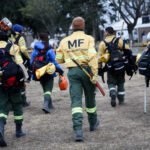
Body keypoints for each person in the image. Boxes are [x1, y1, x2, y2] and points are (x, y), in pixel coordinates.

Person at [56, 17, 99, 142]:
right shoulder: (89, 39)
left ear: (72, 27)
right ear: (83, 26)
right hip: (87, 71)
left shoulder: (64, 41)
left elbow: (59, 59)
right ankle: (93, 123)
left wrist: (69, 57)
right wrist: (94, 74)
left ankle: (78, 130)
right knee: (90, 99)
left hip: (73, 72)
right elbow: (92, 57)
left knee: (76, 102)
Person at [0, 31, 26, 147]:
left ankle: (0, 127)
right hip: (13, 82)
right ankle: (19, 131)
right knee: (17, 104)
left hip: (1, 83)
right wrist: (25, 79)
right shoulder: (12, 47)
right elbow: (20, 64)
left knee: (3, 106)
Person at [30, 32, 64, 114]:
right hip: (49, 72)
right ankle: (45, 105)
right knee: (48, 89)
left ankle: (50, 104)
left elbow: (31, 61)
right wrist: (60, 70)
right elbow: (54, 61)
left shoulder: (35, 49)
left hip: (39, 72)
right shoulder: (49, 49)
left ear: (39, 38)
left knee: (45, 89)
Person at [98, 27, 130, 107]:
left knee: (111, 82)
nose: (105, 33)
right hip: (120, 66)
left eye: (105, 32)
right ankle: (121, 100)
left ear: (107, 32)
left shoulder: (102, 43)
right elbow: (127, 49)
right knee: (121, 82)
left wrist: (100, 68)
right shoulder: (119, 40)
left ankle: (112, 93)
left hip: (110, 67)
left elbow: (100, 58)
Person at [12, 24, 31, 107]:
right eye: (22, 30)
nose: (23, 31)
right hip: (19, 62)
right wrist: (28, 57)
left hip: (9, 62)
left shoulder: (9, 37)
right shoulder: (20, 38)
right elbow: (23, 49)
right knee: (22, 81)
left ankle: (12, 102)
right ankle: (23, 101)